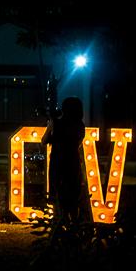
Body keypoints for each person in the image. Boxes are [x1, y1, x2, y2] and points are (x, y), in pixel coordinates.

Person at [40, 96, 88, 231]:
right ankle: (74, 228)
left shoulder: (55, 122)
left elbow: (43, 141)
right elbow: (78, 143)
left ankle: (58, 227)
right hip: (73, 162)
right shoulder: (81, 126)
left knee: (57, 196)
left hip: (58, 162)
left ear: (64, 109)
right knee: (73, 196)